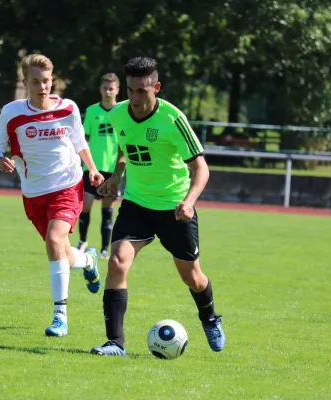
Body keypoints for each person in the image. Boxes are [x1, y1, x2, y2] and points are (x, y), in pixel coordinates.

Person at [89, 57, 225, 356]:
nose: (135, 98)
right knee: (116, 262)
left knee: (193, 277)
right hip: (137, 204)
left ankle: (210, 317)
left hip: (174, 207)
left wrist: (189, 202)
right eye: (130, 90)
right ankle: (115, 343)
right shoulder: (119, 115)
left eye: (142, 91)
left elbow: (201, 168)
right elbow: (126, 148)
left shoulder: (172, 119)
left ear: (157, 87)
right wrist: (116, 176)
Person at [0, 54, 104, 338]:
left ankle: (60, 316)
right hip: (34, 193)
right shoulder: (12, 113)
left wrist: (93, 169)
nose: (43, 86)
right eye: (36, 81)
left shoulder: (68, 108)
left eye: (47, 81)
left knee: (54, 240)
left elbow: (78, 141)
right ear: (26, 83)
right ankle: (88, 262)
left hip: (68, 185)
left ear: (53, 80)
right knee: (60, 250)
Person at [77, 73, 121, 259]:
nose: (108, 91)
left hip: (113, 169)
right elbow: (83, 139)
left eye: (112, 88)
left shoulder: (123, 111)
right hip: (92, 168)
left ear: (117, 90)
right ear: (100, 89)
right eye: (105, 87)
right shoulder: (92, 111)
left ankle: (104, 248)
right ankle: (82, 240)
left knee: (107, 208)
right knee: (85, 204)